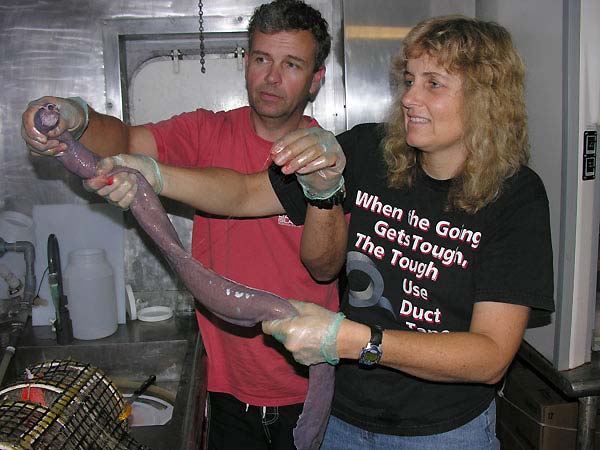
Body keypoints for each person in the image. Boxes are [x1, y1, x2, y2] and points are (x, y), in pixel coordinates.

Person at [20, 1, 338, 449]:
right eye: (262, 59)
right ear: (246, 62)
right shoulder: (205, 132)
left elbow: (325, 265)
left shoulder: (330, 160)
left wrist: (156, 174)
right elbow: (126, 141)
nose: (271, 77)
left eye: (291, 64)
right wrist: (76, 117)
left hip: (309, 389)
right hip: (227, 389)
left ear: (316, 79)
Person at [260, 15, 556, 450]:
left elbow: (492, 356)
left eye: (433, 84)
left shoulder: (516, 196)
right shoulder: (369, 151)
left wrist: (360, 341)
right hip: (343, 419)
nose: (409, 97)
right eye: (409, 80)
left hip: (446, 432)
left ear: (485, 99)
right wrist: (151, 175)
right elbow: (244, 193)